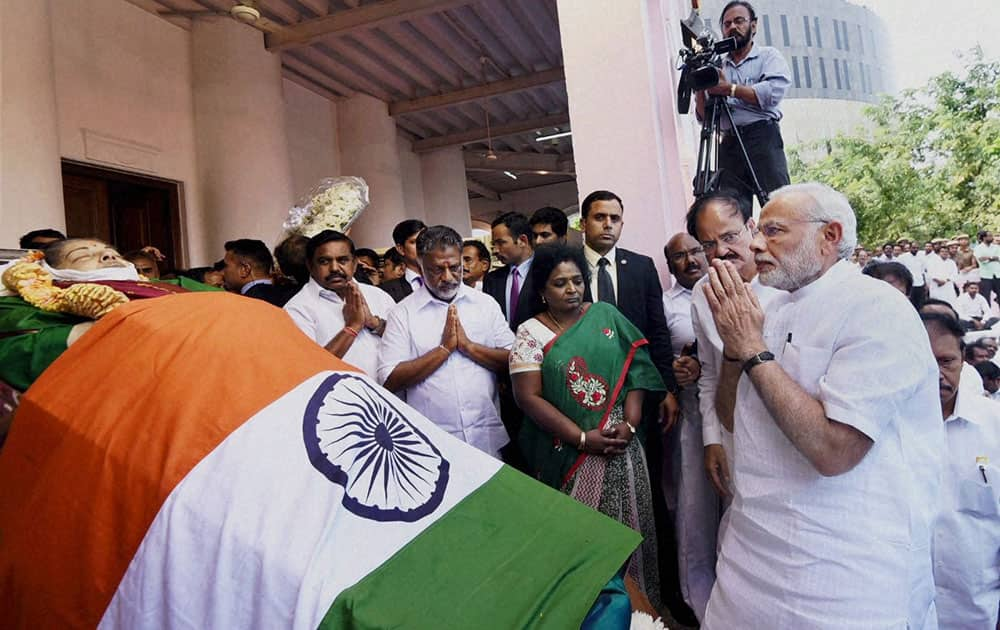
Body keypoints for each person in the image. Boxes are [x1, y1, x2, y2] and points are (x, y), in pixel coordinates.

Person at [701, 183, 944, 628]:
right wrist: (735, 350)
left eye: (774, 231)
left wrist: (752, 347)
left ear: (829, 236)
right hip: (752, 553)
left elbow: (834, 452)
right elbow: (730, 416)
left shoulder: (876, 309)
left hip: (843, 569)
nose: (756, 244)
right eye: (758, 230)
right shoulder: (765, 303)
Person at [508, 242, 665, 608]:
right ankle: (592, 613)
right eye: (560, 283)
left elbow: (636, 368)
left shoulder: (606, 316)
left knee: (635, 532)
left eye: (577, 281)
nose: (572, 290)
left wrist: (632, 421)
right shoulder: (530, 333)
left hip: (623, 449)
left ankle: (643, 611)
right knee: (585, 540)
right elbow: (527, 397)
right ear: (543, 291)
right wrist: (581, 438)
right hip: (568, 452)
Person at [578, 189, 681, 613]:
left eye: (615, 218)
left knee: (649, 494)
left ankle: (660, 595)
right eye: (600, 217)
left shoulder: (639, 268)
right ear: (583, 222)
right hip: (580, 401)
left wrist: (668, 388)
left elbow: (656, 332)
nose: (608, 224)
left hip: (638, 398)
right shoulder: (565, 267)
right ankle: (596, 597)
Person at [377, 226, 514, 458]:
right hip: (431, 444)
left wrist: (469, 347)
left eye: (455, 267)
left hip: (486, 439)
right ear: (420, 265)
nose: (448, 277)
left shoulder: (485, 304)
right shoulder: (403, 313)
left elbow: (513, 360)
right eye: (437, 270)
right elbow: (389, 379)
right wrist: (443, 350)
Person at [686, 192, 782, 506]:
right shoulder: (702, 293)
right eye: (708, 244)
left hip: (786, 434)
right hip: (734, 433)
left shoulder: (784, 283)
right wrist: (712, 438)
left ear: (751, 227)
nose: (721, 251)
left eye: (729, 236)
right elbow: (710, 373)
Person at [922, 312, 1000, 629]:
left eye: (947, 361)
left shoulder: (993, 424)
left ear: (964, 360)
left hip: (976, 612)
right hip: (904, 609)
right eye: (927, 362)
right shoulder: (885, 427)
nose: (938, 374)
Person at [661, 232, 718, 622]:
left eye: (696, 251)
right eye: (679, 256)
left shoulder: (730, 288)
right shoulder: (666, 305)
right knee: (695, 508)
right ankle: (695, 599)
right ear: (670, 265)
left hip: (736, 417)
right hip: (692, 416)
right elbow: (660, 356)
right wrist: (677, 373)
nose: (690, 260)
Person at [694, 0, 790, 208]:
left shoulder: (768, 56)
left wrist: (729, 89)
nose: (732, 28)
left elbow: (771, 93)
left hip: (762, 137)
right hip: (728, 144)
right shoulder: (717, 64)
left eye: (739, 21)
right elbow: (704, 117)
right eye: (727, 24)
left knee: (777, 204)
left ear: (753, 25)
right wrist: (701, 85)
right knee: (732, 209)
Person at [283, 231, 395, 378]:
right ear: (310, 266)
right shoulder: (297, 309)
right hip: (340, 400)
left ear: (354, 264)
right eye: (324, 261)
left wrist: (374, 323)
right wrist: (352, 328)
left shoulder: (378, 296)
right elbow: (308, 372)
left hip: (391, 396)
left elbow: (405, 343)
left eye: (343, 260)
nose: (335, 268)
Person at [484, 211, 541, 331]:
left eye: (501, 243)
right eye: (494, 244)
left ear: (522, 240)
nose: (495, 250)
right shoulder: (492, 280)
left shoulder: (547, 272)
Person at [221, 239, 295, 307]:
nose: (223, 272)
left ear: (244, 270)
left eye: (226, 266)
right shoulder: (292, 296)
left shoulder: (245, 304)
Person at [379, 219, 426, 303]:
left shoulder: (445, 280)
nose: (421, 245)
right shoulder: (386, 291)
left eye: (425, 240)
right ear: (400, 249)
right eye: (414, 242)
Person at [975, 230, 1000, 308]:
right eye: (989, 236)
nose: (991, 237)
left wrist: (988, 257)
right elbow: (982, 260)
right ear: (984, 237)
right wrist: (993, 258)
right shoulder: (978, 248)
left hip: (997, 274)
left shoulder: (996, 247)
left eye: (991, 236)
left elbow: (998, 258)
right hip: (985, 276)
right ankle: (988, 316)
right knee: (986, 297)